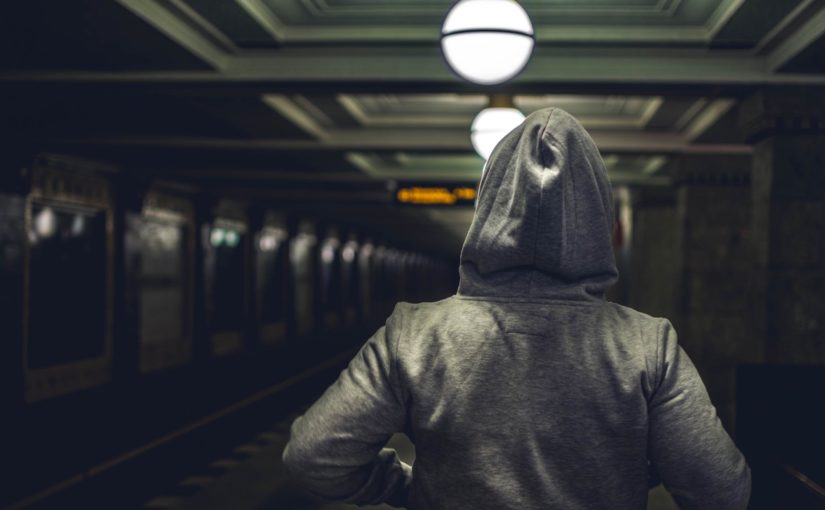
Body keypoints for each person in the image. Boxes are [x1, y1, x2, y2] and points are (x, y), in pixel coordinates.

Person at [282, 107, 751, 510]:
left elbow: (313, 458)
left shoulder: (415, 333)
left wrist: (408, 487)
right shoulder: (647, 345)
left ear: (487, 208)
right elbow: (723, 492)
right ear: (598, 220)